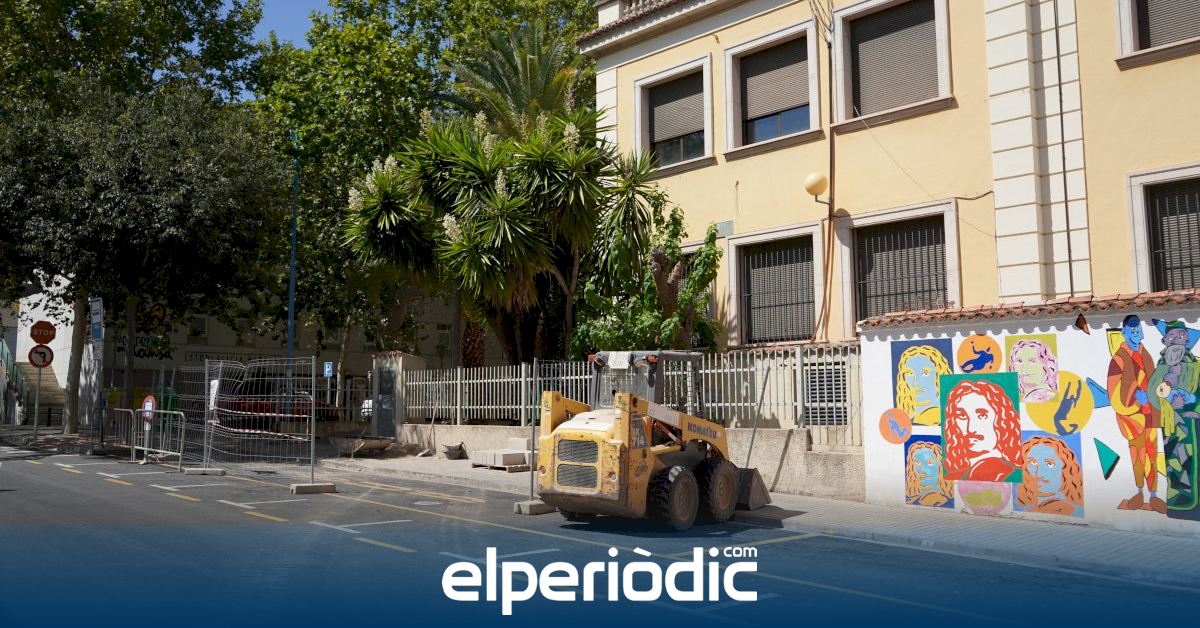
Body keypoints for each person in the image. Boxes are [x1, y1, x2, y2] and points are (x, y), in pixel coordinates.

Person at [1107, 315, 1162, 512]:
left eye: (1138, 328)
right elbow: (1113, 392)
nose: (1136, 332)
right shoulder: (1119, 359)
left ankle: (1153, 496)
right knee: (1137, 455)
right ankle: (1139, 493)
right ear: (1123, 332)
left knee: (1152, 453)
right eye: (1132, 329)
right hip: (1134, 417)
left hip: (1151, 414)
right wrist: (1135, 400)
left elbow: (1153, 380)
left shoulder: (1146, 354)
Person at [942, 379, 1022, 482]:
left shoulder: (1011, 474)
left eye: (982, 415)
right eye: (962, 416)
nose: (970, 428)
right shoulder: (952, 478)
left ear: (1002, 419)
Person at [1017, 436, 1084, 516]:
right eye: (1033, 463)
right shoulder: (1032, 511)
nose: (1039, 473)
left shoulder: (1072, 511)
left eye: (1050, 464)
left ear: (1066, 469)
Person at [895, 345, 951, 426]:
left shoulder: (938, 416)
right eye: (910, 373)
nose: (916, 383)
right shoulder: (913, 416)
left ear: (939, 375)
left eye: (925, 373)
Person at [905, 440, 952, 507]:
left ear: (940, 466)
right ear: (912, 467)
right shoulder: (912, 499)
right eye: (918, 463)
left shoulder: (943, 500)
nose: (923, 470)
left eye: (930, 463)